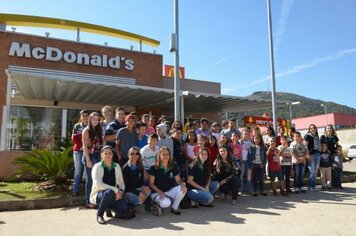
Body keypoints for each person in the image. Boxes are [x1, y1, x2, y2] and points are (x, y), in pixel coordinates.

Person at [90, 146, 130, 224]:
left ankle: (108, 208)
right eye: (105, 153)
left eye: (110, 153)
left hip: (113, 194)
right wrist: (115, 190)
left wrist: (121, 191)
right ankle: (99, 214)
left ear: (112, 154)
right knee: (109, 192)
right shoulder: (97, 167)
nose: (108, 155)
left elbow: (121, 182)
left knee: (124, 207)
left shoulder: (117, 166)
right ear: (101, 155)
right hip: (100, 194)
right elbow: (99, 184)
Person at [148, 147, 187, 216]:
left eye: (167, 154)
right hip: (157, 192)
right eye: (163, 154)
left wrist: (182, 184)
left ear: (170, 155)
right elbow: (151, 184)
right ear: (159, 156)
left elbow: (178, 180)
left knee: (183, 188)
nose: (165, 156)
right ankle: (155, 202)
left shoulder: (173, 166)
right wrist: (160, 192)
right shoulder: (154, 167)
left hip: (169, 191)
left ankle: (174, 208)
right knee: (166, 204)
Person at [82, 112, 103, 208]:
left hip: (97, 155)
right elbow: (84, 147)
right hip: (89, 156)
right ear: (90, 120)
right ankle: (88, 201)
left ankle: (96, 200)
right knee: (90, 179)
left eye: (97, 119)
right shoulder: (86, 131)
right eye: (93, 119)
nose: (95, 121)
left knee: (97, 179)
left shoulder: (98, 130)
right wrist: (88, 160)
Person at [71, 109, 89, 196]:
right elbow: (74, 138)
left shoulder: (91, 126)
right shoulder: (77, 126)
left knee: (88, 170)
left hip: (89, 151)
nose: (85, 117)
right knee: (78, 170)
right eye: (83, 115)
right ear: (81, 117)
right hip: (78, 151)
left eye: (86, 115)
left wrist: (87, 146)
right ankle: (75, 190)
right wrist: (83, 145)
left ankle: (87, 191)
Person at [304, 124, 321, 191]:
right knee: (312, 171)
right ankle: (310, 186)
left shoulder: (316, 137)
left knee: (315, 171)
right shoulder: (307, 136)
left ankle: (313, 186)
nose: (312, 129)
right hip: (311, 155)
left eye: (314, 128)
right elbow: (305, 146)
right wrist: (307, 154)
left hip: (317, 154)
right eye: (311, 128)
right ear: (309, 129)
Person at [239, 129, 253, 194]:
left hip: (248, 161)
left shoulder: (250, 142)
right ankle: (240, 189)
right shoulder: (239, 142)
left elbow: (252, 149)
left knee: (248, 175)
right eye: (244, 134)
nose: (246, 135)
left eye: (247, 134)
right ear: (242, 135)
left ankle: (249, 189)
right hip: (241, 161)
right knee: (241, 176)